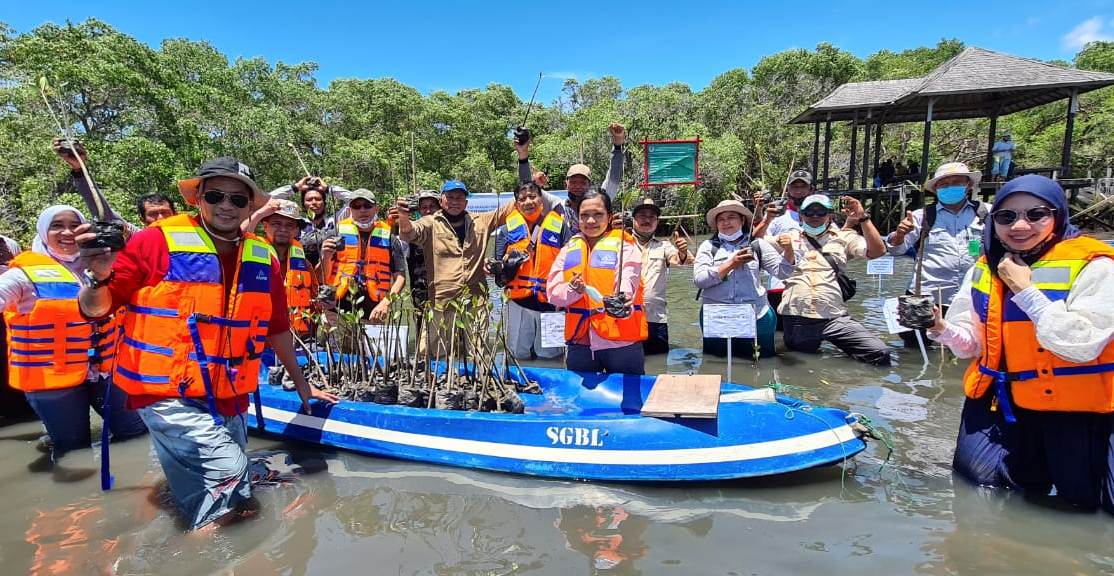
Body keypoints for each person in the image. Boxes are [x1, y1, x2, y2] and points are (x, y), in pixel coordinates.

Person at [76, 157, 338, 530]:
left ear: (250, 206)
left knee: (223, 487)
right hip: (166, 391)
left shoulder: (262, 256)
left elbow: (278, 327)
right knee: (230, 479)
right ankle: (204, 551)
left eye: (238, 199)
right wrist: (98, 277)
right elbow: (97, 309)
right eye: (216, 196)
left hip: (229, 392)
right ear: (198, 198)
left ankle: (182, 523)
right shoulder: (156, 240)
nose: (226, 206)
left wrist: (302, 384)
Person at [928, 174, 1114, 514]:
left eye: (1036, 214)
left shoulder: (1096, 265)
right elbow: (971, 346)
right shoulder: (985, 266)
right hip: (1002, 397)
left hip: (1074, 404)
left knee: (1085, 503)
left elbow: (1082, 344)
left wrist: (1025, 291)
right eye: (1007, 216)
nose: (1020, 226)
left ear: (1057, 215)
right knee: (976, 485)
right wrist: (939, 327)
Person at [0, 205, 146, 455]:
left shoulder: (106, 264)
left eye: (74, 225)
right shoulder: (21, 276)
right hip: (52, 380)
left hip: (105, 372)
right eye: (57, 226)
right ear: (43, 232)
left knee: (136, 433)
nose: (67, 232)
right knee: (73, 449)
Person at [776, 194, 893, 366]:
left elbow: (877, 252)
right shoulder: (788, 237)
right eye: (809, 212)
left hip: (834, 316)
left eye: (820, 212)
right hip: (797, 318)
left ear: (830, 215)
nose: (815, 216)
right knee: (801, 363)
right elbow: (757, 244)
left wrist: (863, 219)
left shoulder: (845, 237)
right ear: (801, 216)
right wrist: (766, 220)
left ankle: (846, 378)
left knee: (879, 353)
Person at [887, 162, 990, 347]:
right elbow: (896, 250)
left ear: (968, 185)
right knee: (914, 349)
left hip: (973, 296)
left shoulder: (987, 213)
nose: (950, 187)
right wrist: (900, 234)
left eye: (956, 182)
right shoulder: (922, 216)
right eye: (944, 184)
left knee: (970, 347)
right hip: (926, 296)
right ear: (935, 189)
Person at [547, 191, 646, 374]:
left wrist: (623, 298)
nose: (591, 221)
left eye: (598, 214)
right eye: (584, 215)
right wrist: (573, 289)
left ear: (609, 217)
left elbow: (628, 276)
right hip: (581, 342)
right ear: (577, 218)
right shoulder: (568, 250)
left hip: (621, 342)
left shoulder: (625, 247)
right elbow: (553, 294)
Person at [694, 200, 792, 359]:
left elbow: (784, 273)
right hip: (717, 316)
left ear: (742, 220)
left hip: (757, 315)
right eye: (721, 219)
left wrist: (789, 250)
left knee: (762, 361)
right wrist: (731, 263)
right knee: (715, 362)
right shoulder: (708, 246)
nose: (726, 222)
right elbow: (700, 280)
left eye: (731, 217)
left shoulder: (758, 245)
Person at [494, 182, 567, 360]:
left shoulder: (560, 226)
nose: (528, 201)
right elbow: (498, 271)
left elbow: (571, 262)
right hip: (519, 303)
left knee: (552, 356)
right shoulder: (506, 230)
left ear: (541, 200)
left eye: (533, 197)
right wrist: (503, 267)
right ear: (516, 203)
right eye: (522, 198)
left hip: (551, 304)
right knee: (517, 354)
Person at [516, 124, 626, 234]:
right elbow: (527, 188)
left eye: (582, 182)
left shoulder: (599, 201)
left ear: (589, 185)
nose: (577, 186)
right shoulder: (557, 205)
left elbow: (613, 178)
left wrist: (617, 146)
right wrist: (523, 155)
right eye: (573, 182)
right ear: (566, 184)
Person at [321, 189, 406, 324]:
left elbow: (400, 278)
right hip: (336, 310)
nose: (362, 210)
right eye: (356, 206)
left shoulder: (390, 238)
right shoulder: (335, 234)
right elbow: (321, 277)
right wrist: (325, 257)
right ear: (350, 210)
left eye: (367, 206)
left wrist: (385, 303)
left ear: (376, 208)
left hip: (374, 312)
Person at [630, 198, 692, 355]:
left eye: (652, 217)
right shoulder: (621, 243)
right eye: (642, 216)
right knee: (626, 363)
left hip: (655, 318)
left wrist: (683, 252)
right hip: (626, 317)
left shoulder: (664, 246)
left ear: (657, 222)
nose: (647, 220)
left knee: (659, 363)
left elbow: (682, 261)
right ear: (633, 219)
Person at [53, 138, 142, 236]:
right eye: (56, 226)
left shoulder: (148, 238)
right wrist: (79, 169)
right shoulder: (142, 236)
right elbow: (107, 218)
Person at [761, 169, 812, 329]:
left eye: (803, 187)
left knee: (807, 333)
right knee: (780, 332)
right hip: (780, 286)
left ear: (811, 190)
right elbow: (758, 241)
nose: (799, 191)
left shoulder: (821, 215)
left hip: (811, 286)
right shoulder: (776, 216)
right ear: (788, 189)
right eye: (794, 186)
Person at [259, 199, 317, 337]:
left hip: (298, 336)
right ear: (265, 226)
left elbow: (315, 300)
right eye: (277, 224)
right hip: (261, 336)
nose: (283, 229)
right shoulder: (250, 259)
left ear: (296, 230)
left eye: (289, 225)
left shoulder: (304, 265)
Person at [404, 190, 440, 311]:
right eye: (424, 207)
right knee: (422, 321)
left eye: (432, 207)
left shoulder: (450, 231)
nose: (428, 211)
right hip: (421, 291)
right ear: (419, 210)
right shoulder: (411, 231)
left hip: (445, 290)